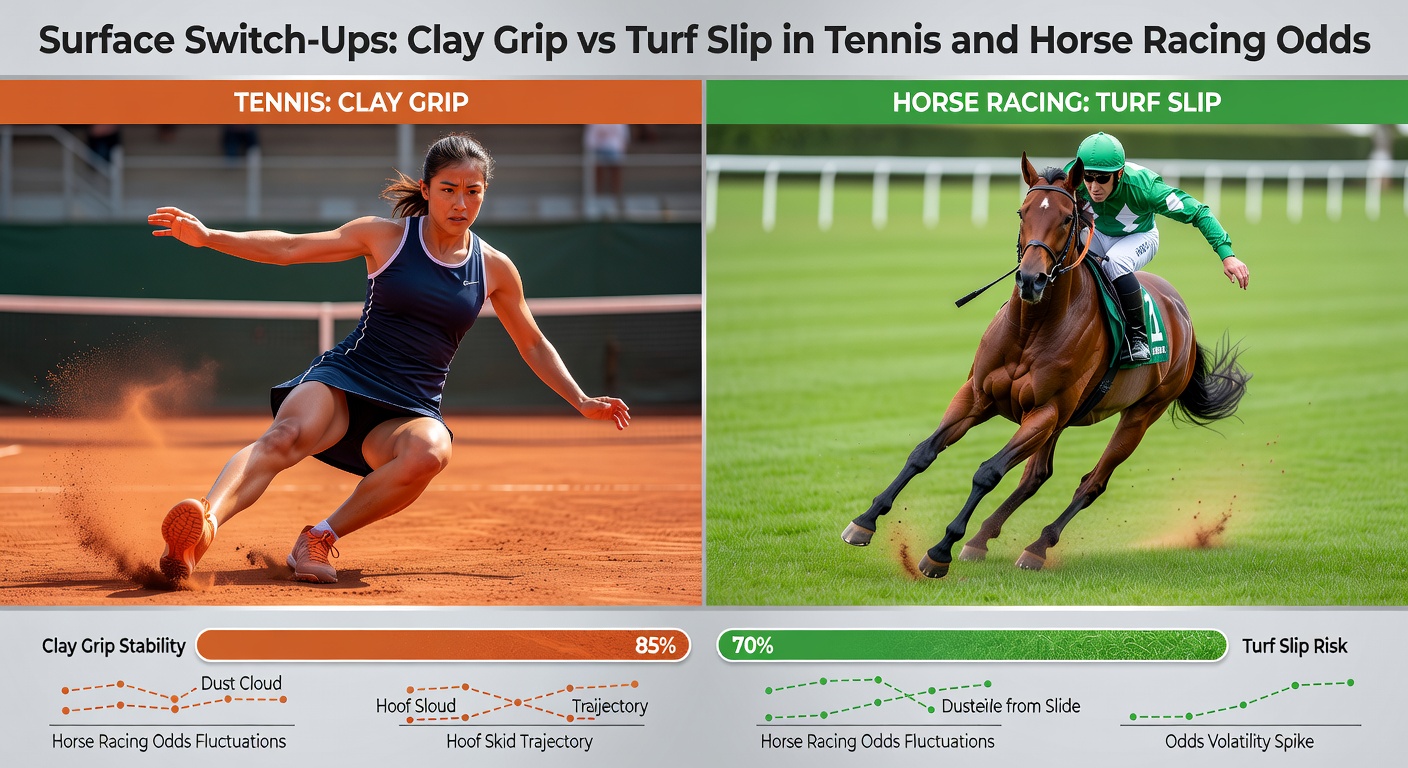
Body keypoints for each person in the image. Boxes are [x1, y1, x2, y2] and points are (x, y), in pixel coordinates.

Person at [147, 134, 631, 585]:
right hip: (345, 380)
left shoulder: (495, 268)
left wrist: (582, 398)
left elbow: (531, 342)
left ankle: (317, 540)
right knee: (284, 437)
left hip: (408, 410)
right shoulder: (385, 236)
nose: (461, 203)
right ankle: (202, 527)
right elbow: (291, 249)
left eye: (473, 191)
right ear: (426, 188)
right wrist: (209, 236)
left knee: (432, 451)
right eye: (448, 189)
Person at [1067, 132, 1250, 364]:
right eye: (1088, 177)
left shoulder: (1145, 188)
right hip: (1096, 232)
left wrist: (1227, 255)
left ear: (1119, 174)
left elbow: (1198, 211)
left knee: (1114, 263)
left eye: (1102, 178)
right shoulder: (1071, 179)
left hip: (1139, 236)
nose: (1093, 187)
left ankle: (1138, 338)